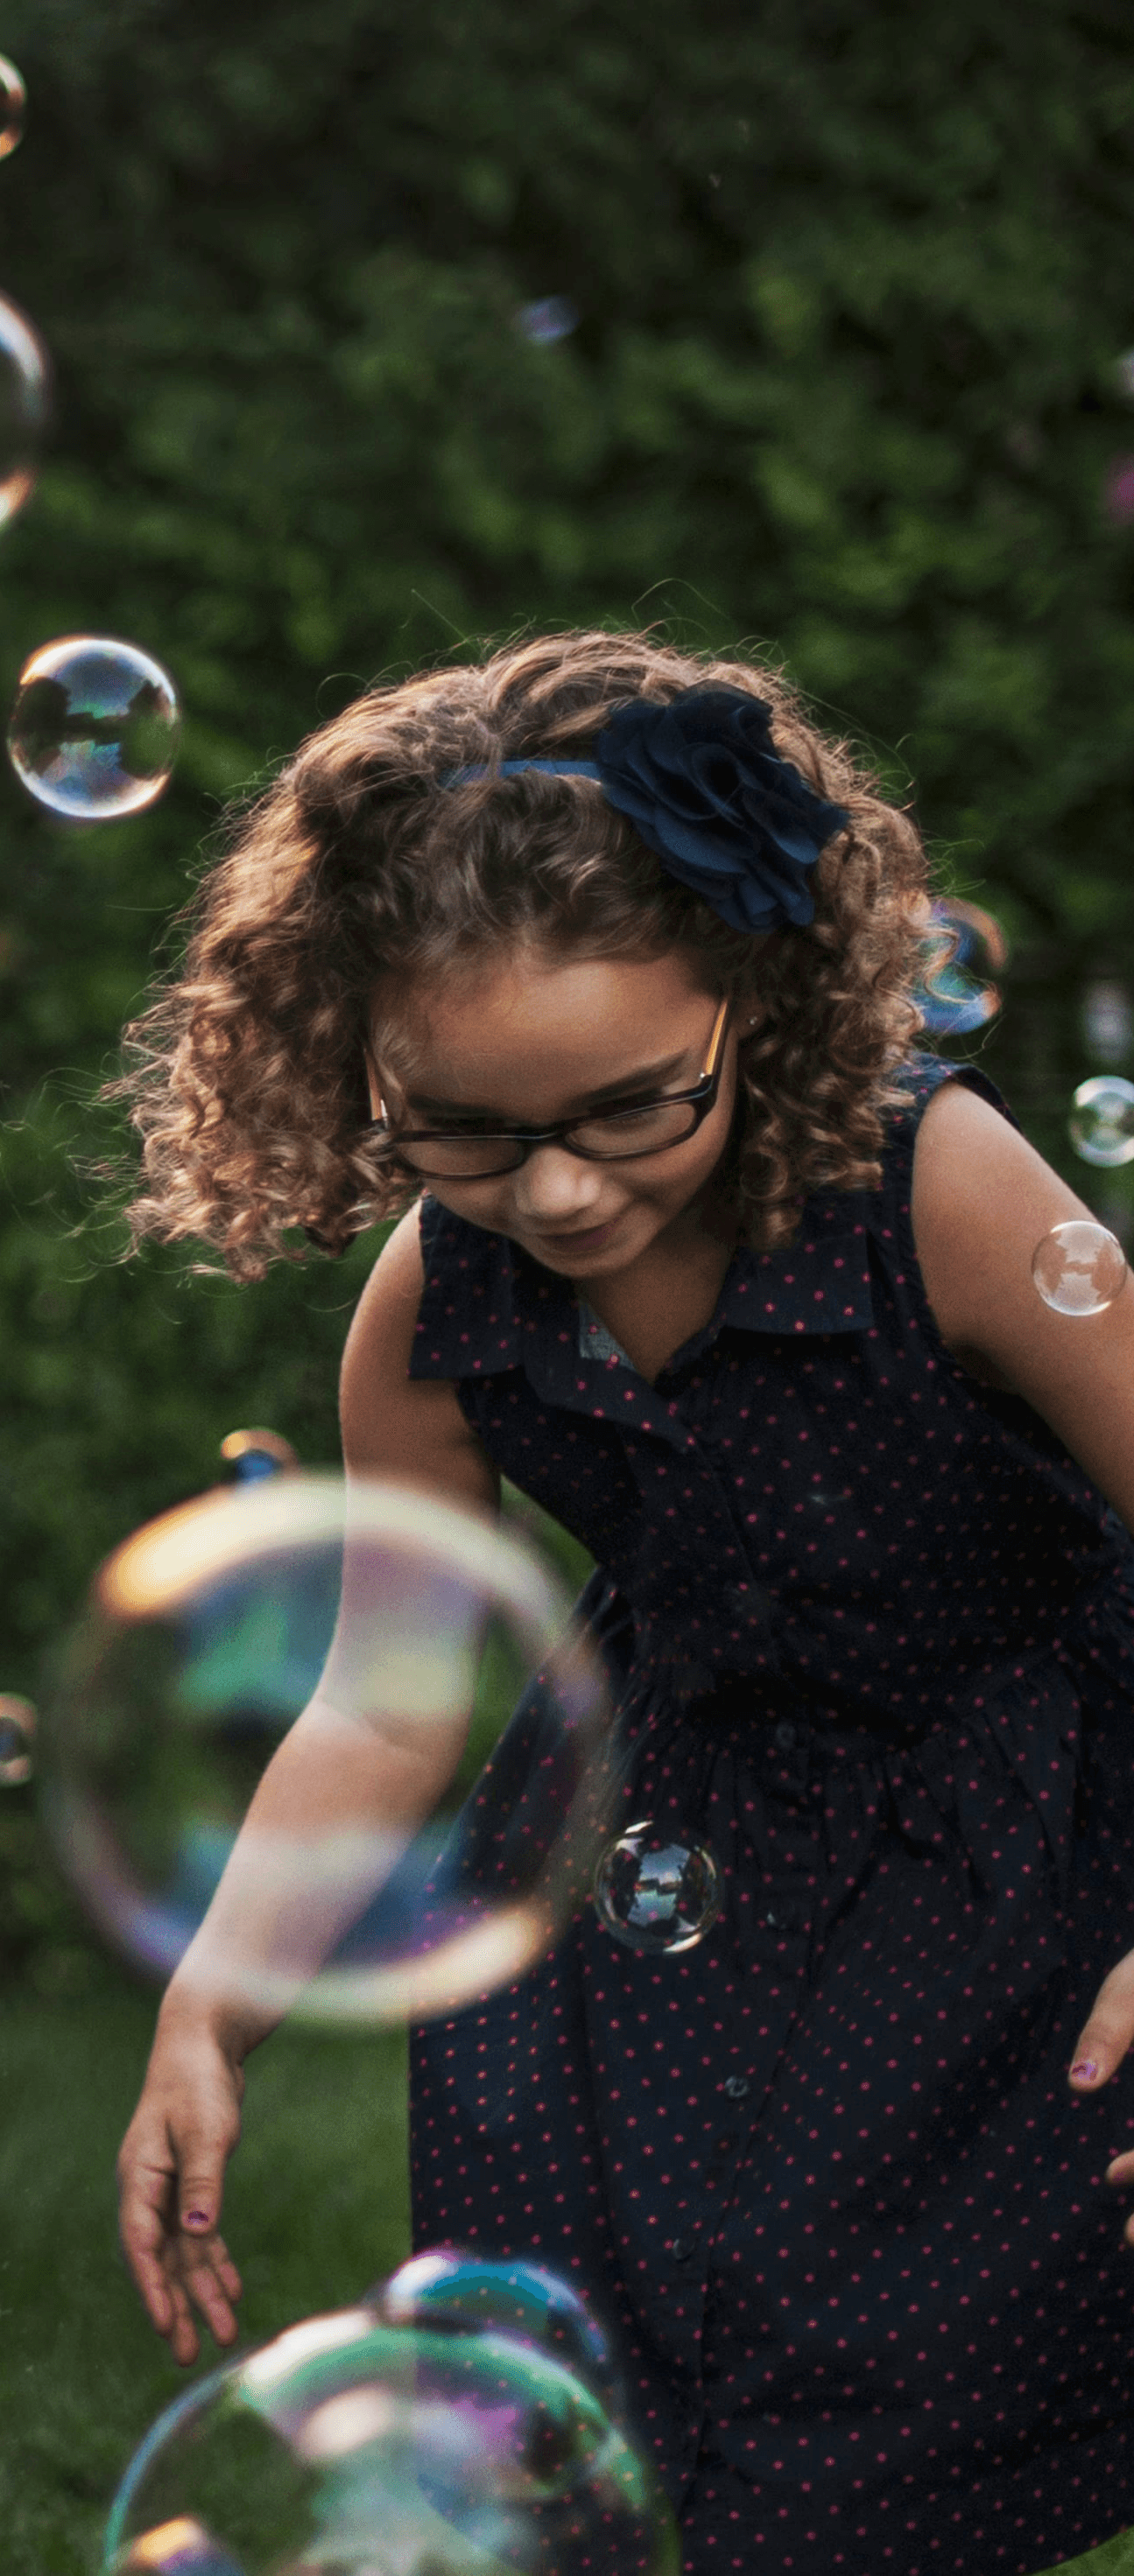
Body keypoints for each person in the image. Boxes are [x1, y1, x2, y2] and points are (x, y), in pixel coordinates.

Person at [104, 628, 1134, 2575]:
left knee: (869, 2400)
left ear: (758, 998)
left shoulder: (942, 1190)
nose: (558, 1194)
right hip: (670, 1834)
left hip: (1016, 1818)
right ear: (355, 1068)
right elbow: (382, 1700)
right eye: (466, 1131)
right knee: (592, 2389)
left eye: (625, 1109)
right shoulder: (433, 1301)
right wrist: (209, 2002)